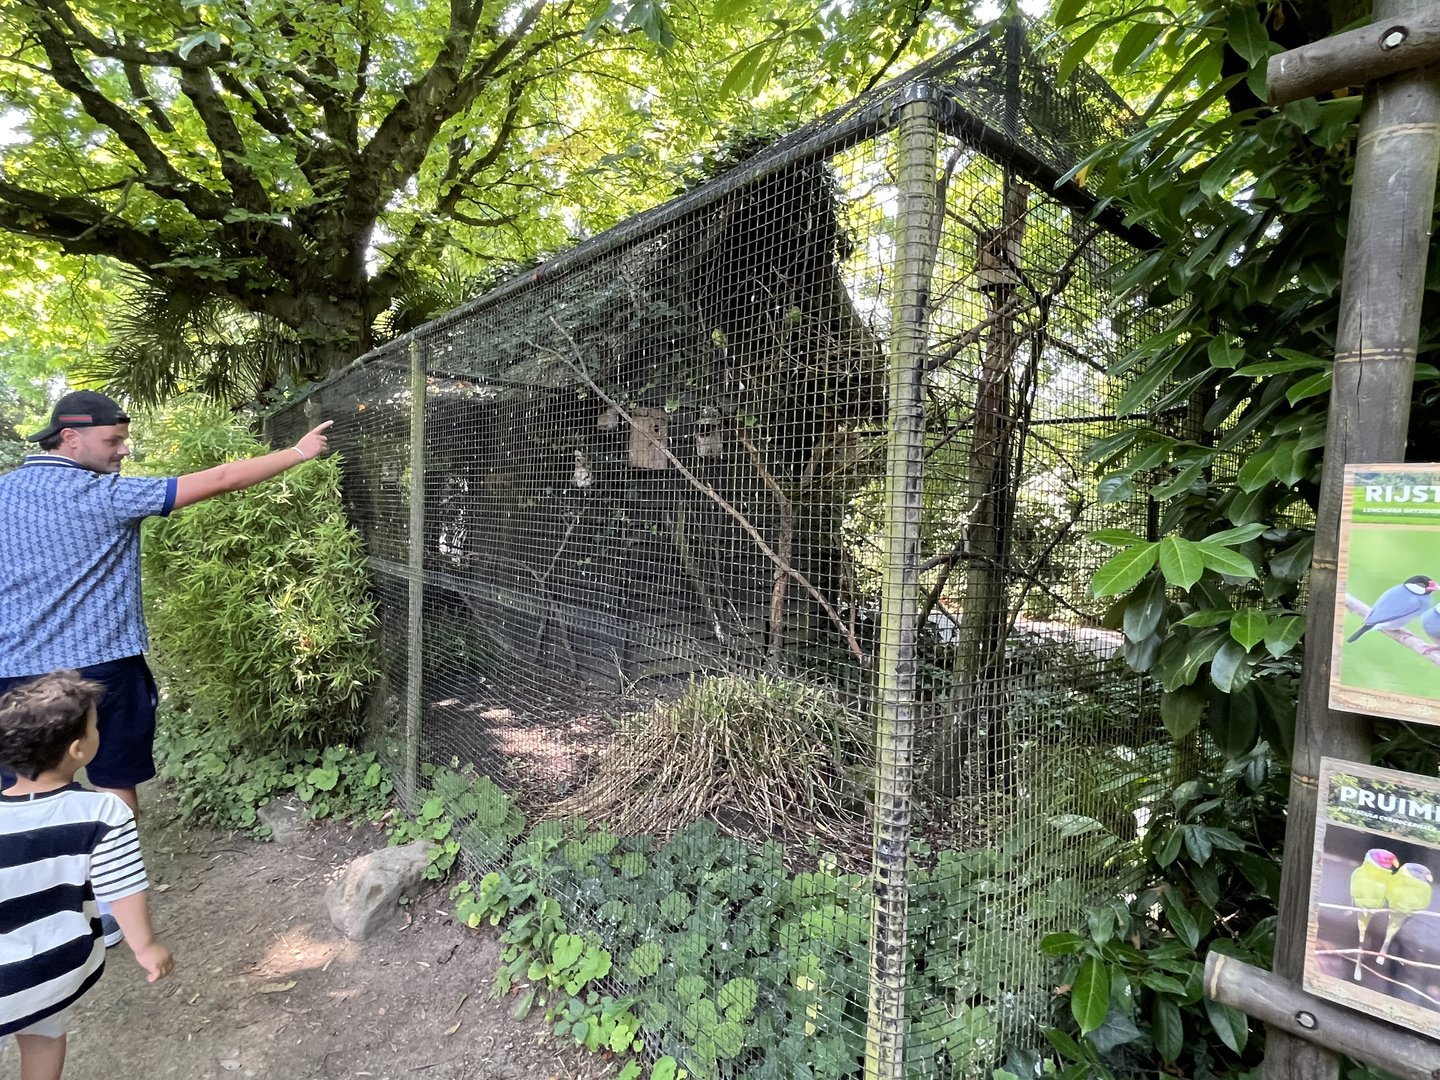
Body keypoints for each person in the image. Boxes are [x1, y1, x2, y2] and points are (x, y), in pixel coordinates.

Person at [0, 390, 332, 941]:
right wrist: (297, 453)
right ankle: (111, 906)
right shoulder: (104, 495)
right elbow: (222, 478)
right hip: (100, 669)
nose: (124, 451)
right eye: (114, 441)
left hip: (13, 672)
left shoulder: (3, 493)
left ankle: (26, 900)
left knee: (18, 785)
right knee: (116, 778)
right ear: (70, 438)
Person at [0, 670, 174, 1080]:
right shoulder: (102, 813)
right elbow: (122, 885)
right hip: (48, 970)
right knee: (43, 1034)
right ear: (79, 749)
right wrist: (145, 946)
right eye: (97, 726)